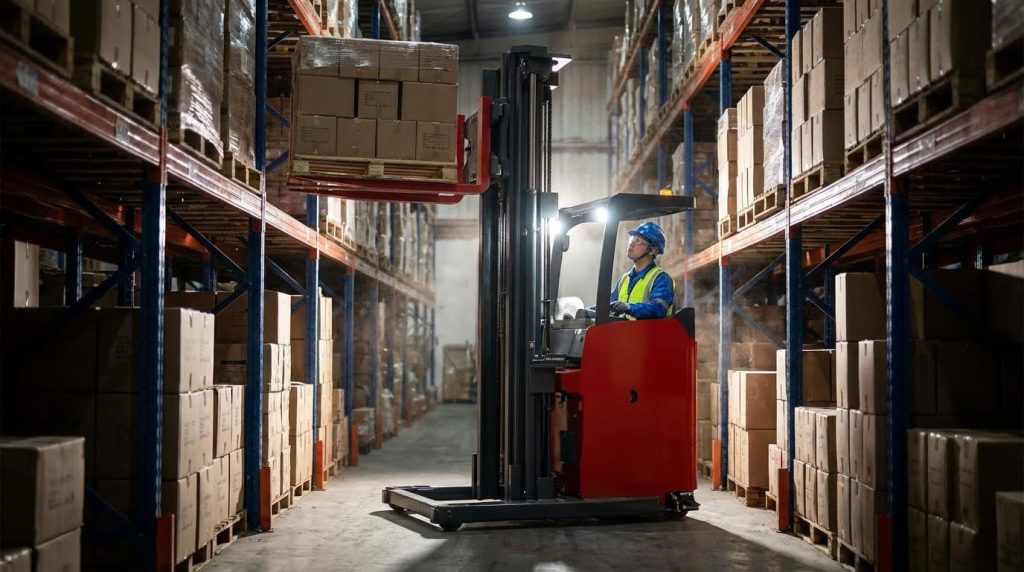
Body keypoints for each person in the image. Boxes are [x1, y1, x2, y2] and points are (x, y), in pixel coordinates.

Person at [609, 222, 676, 320]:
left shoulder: (661, 279)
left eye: (638, 241)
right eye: (632, 239)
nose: (631, 243)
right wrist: (590, 310)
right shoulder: (624, 279)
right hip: (624, 333)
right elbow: (609, 305)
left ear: (651, 250)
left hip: (649, 335)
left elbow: (658, 309)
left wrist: (629, 307)